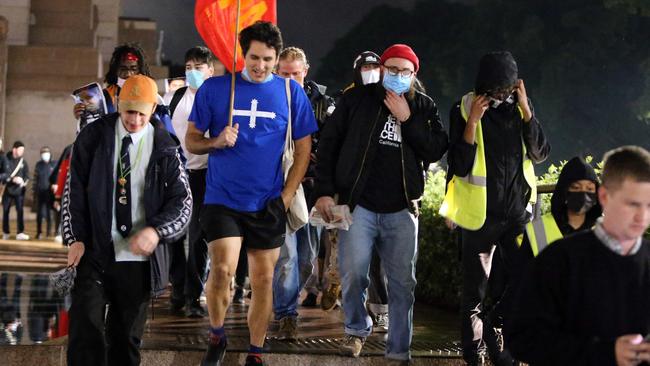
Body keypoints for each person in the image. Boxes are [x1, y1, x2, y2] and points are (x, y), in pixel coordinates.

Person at [186, 21, 317, 366]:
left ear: (277, 58)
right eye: (255, 58)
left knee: (263, 279)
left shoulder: (292, 93)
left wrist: (286, 197)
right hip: (223, 199)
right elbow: (191, 140)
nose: (261, 66)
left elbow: (304, 150)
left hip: (268, 202)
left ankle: (256, 352)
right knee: (223, 270)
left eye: (268, 59)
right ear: (243, 55)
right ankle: (217, 335)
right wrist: (216, 141)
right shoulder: (215, 90)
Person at [313, 43, 448, 362]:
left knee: (403, 282)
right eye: (393, 69)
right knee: (354, 272)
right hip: (358, 205)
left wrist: (408, 119)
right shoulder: (356, 99)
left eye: (406, 71)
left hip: (402, 208)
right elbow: (329, 144)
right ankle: (357, 330)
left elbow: (436, 149)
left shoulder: (424, 107)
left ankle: (399, 348)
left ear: (415, 75)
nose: (399, 76)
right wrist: (324, 190)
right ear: (382, 69)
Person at [62, 75, 192, 366]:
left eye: (141, 114)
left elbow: (183, 203)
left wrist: (157, 232)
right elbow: (74, 192)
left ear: (151, 112)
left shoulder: (165, 146)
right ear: (119, 106)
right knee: (85, 330)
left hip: (137, 260)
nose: (134, 120)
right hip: (95, 251)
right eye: (129, 112)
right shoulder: (94, 137)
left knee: (125, 339)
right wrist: (75, 239)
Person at [440, 51, 550, 365]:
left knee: (532, 275)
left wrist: (528, 110)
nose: (501, 96)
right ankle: (474, 357)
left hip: (518, 215)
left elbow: (540, 153)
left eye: (506, 90)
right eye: (495, 90)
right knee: (473, 294)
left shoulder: (522, 110)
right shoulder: (463, 108)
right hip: (478, 218)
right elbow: (459, 166)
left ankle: (496, 322)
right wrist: (473, 121)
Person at [507, 145, 650, 366]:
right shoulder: (557, 258)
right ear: (604, 196)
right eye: (632, 204)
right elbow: (523, 337)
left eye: (649, 205)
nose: (642, 216)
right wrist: (607, 353)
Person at [272, 46, 335, 340]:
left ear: (305, 72)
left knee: (307, 259)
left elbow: (334, 141)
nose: (289, 80)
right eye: (283, 74)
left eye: (294, 74)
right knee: (286, 258)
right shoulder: (268, 97)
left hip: (311, 190)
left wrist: (314, 153)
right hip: (280, 188)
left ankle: (285, 300)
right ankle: (286, 314)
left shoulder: (323, 103)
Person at [319, 50, 382, 313]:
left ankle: (372, 305)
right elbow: (330, 144)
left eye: (374, 67)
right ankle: (335, 279)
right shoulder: (345, 101)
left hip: (375, 191)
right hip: (345, 189)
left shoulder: (387, 99)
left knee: (374, 254)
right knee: (338, 243)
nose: (370, 72)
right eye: (365, 67)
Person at [163, 45, 220, 318]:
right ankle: (177, 288)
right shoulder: (174, 98)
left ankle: (193, 295)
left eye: (198, 67)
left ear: (210, 70)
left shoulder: (218, 98)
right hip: (176, 175)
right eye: (188, 68)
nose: (192, 73)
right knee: (174, 234)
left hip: (204, 176)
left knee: (198, 237)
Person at [517, 156, 602, 265]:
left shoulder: (606, 231)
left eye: (589, 189)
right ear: (564, 191)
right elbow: (522, 275)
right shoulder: (538, 230)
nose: (583, 194)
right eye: (576, 188)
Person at [2, 141, 29, 241]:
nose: (22, 151)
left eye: (23, 150)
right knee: (5, 211)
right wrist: (12, 179)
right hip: (7, 190)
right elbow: (3, 173)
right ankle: (6, 232)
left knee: (20, 211)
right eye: (20, 149)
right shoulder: (5, 159)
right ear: (14, 149)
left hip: (19, 191)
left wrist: (23, 181)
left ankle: (20, 232)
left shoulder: (23, 162)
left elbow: (27, 176)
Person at [33, 146, 57, 239]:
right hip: (40, 193)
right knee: (39, 214)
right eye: (43, 152)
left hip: (50, 193)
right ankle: (39, 232)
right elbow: (35, 179)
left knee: (49, 213)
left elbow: (56, 178)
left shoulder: (54, 164)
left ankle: (48, 232)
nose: (45, 154)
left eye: (46, 152)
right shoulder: (38, 165)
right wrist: (34, 193)